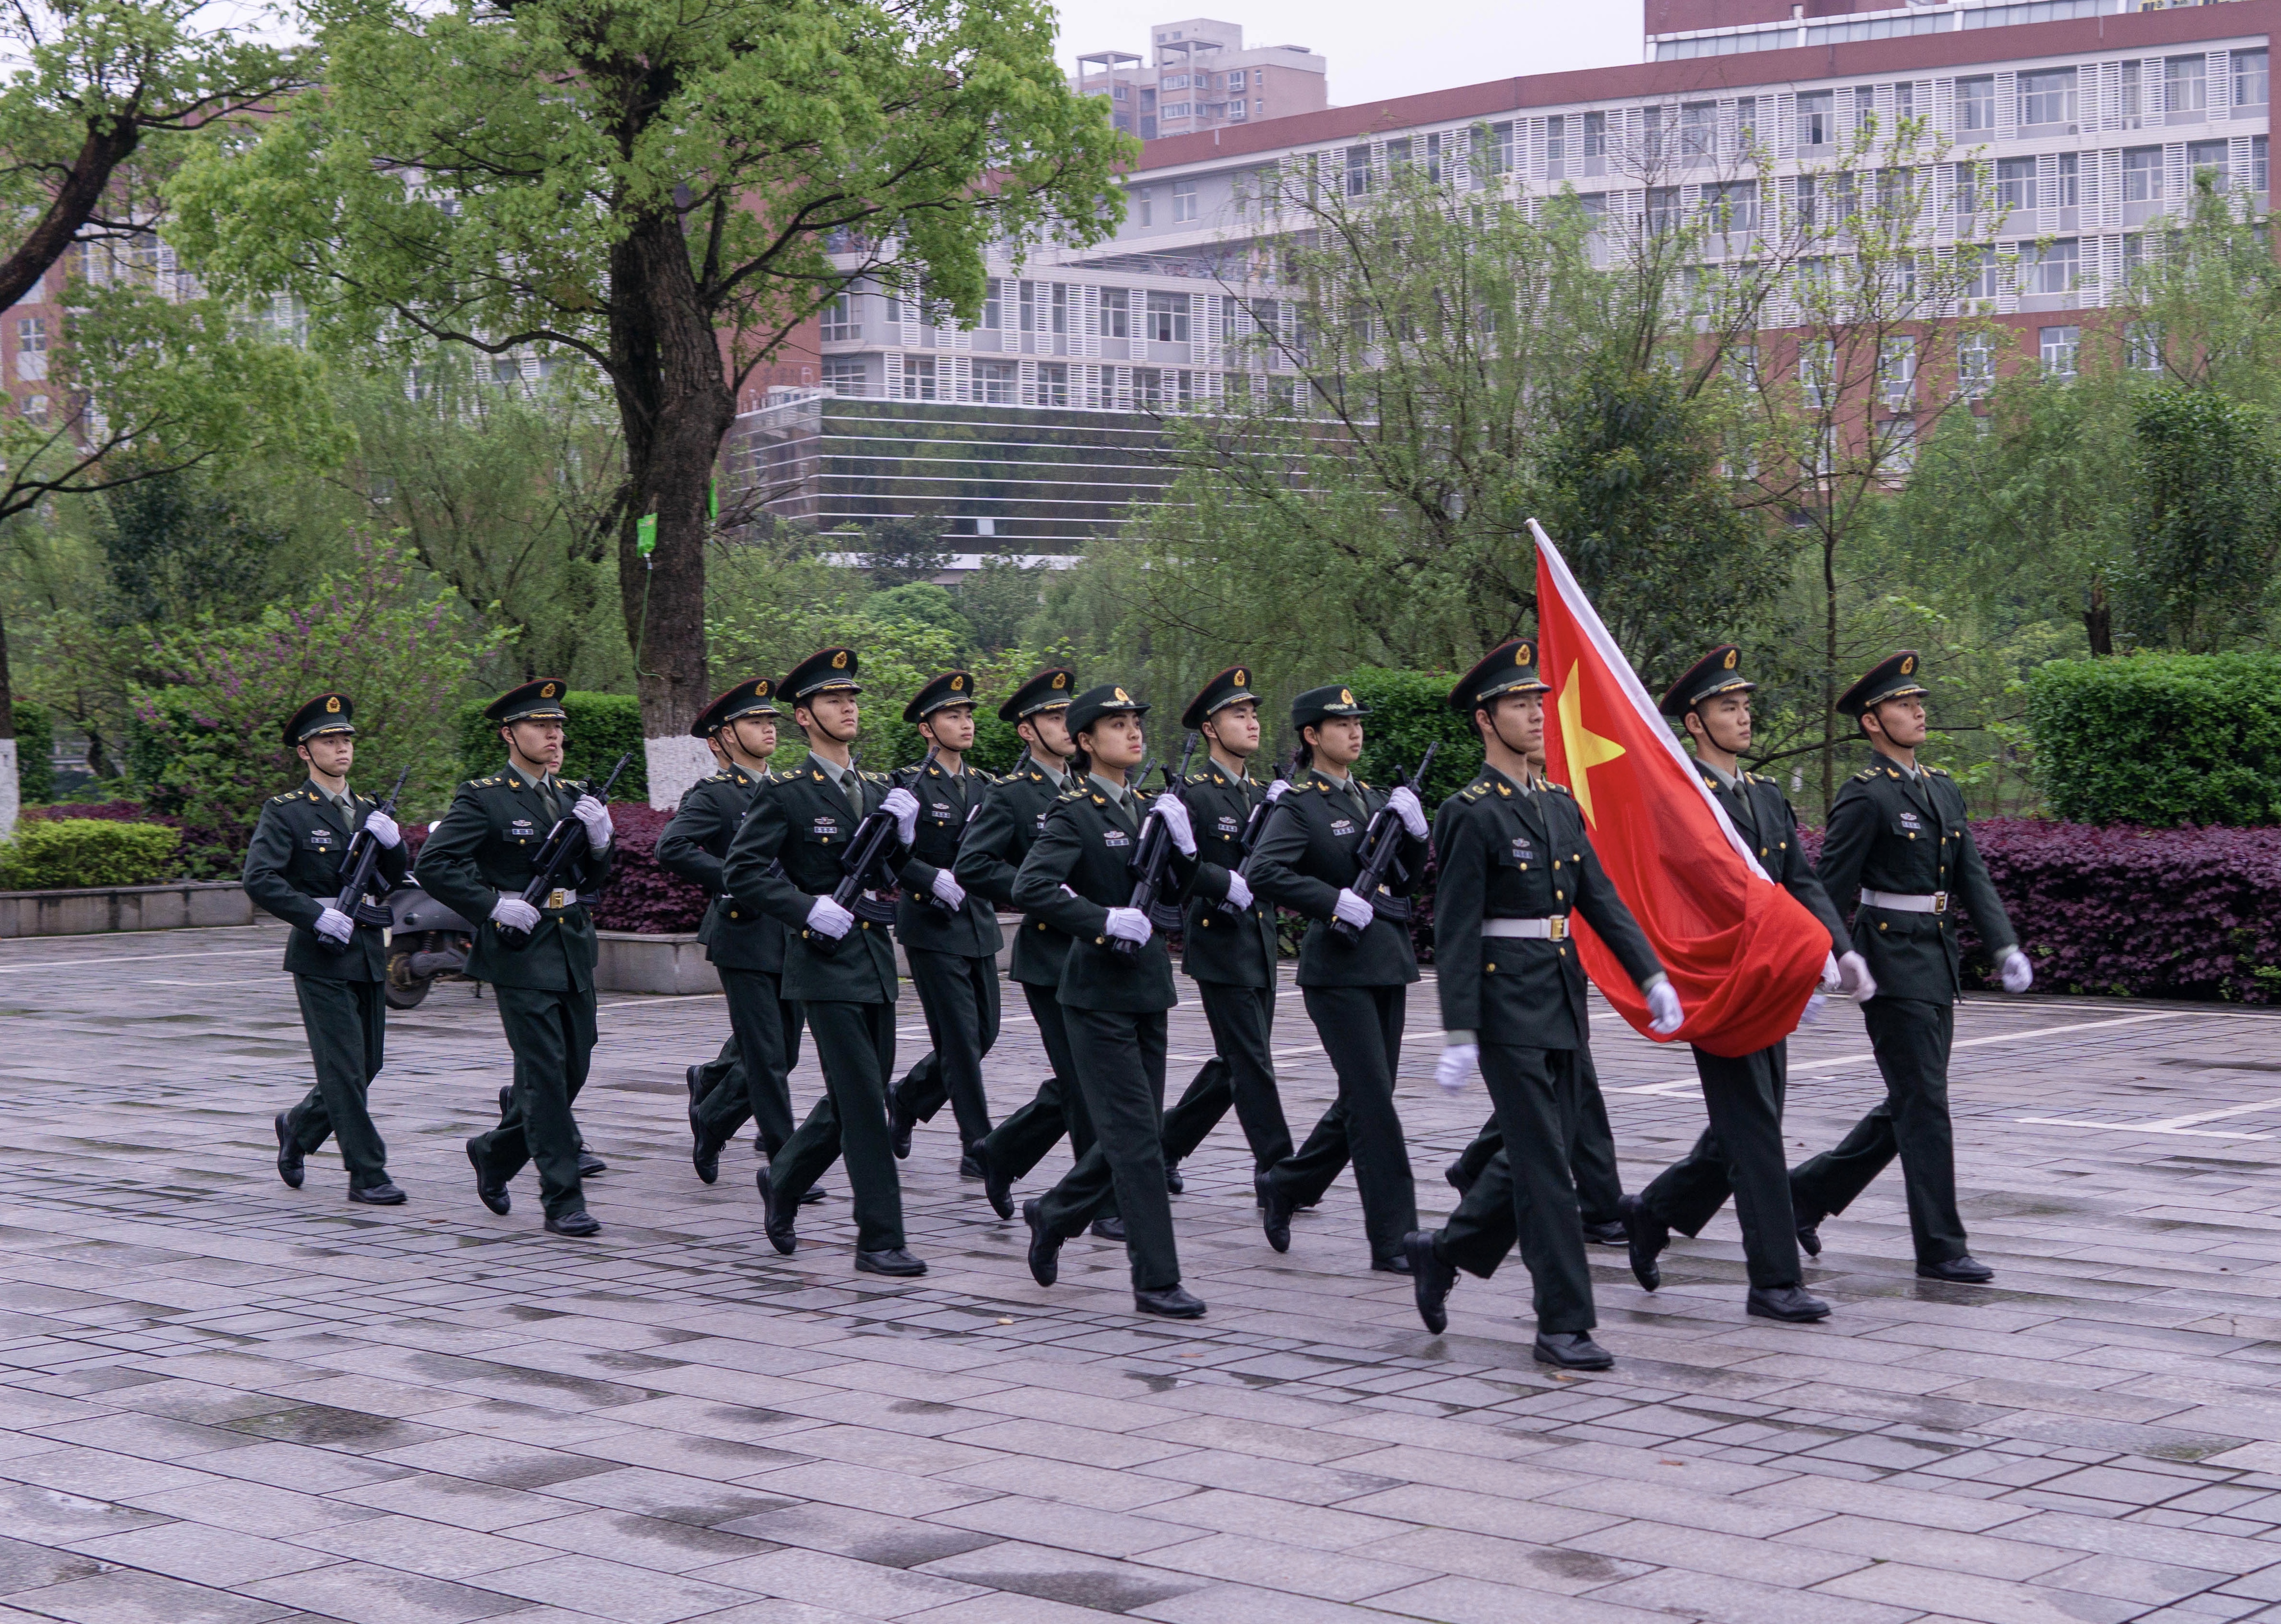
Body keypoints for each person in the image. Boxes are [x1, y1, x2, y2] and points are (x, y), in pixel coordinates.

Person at [1405, 640, 1680, 1370]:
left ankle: (1445, 1251)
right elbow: (1455, 928)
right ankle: (1562, 1323)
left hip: (1560, 994)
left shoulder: (1558, 804)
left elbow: (1600, 899)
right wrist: (1458, 1027)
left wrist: (1649, 974)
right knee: (1544, 1173)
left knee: (1550, 1149)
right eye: (1519, 703)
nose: (1535, 713)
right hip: (1502, 1005)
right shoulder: (1469, 813)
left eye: (1537, 701)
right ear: (1484, 720)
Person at [1619, 645, 1872, 1324]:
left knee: (1748, 1122)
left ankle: (1655, 1210)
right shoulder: (1679, 799)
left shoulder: (1761, 794)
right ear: (1694, 724)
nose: (1742, 717)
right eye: (1726, 708)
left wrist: (1835, 950)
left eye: (1744, 706)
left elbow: (1798, 883)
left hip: (1771, 979)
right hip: (1718, 982)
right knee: (1756, 1131)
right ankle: (1772, 1282)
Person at [1788, 651, 2034, 1284]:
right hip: (1888, 962)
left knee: (1911, 1100)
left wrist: (2002, 944)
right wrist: (1824, 959)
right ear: (1872, 723)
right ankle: (1940, 1247)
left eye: (1917, 701)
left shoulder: (1940, 787)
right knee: (1922, 1104)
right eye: (1903, 704)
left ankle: (1803, 1194)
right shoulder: (1865, 797)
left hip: (1936, 956)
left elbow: (1970, 876)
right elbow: (1826, 885)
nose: (1918, 711)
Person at [723, 647, 927, 1276]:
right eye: (833, 700)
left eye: (852, 698)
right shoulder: (786, 791)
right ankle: (879, 1238)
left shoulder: (874, 791)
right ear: (804, 717)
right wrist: (805, 909)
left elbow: (888, 871)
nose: (848, 708)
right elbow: (742, 873)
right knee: (866, 1103)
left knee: (850, 1100)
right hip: (821, 961)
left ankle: (782, 1180)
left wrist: (908, 840)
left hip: (872, 958)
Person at [1014, 684, 1203, 1318]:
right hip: (1096, 992)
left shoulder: (1149, 807)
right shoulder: (1074, 810)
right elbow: (1032, 886)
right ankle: (1155, 1279)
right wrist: (1100, 920)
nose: (1132, 733)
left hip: (1147, 986)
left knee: (1140, 1132)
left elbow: (1178, 894)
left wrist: (1186, 849)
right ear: (1086, 743)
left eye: (1134, 723)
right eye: (1115, 725)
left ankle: (1056, 1212)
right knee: (1134, 1138)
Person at [417, 680, 617, 1236]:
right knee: (547, 1074)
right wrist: (492, 906)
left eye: (558, 727)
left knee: (575, 1064)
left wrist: (601, 843)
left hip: (571, 942)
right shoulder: (485, 796)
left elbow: (594, 878)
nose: (554, 736)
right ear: (510, 734)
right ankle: (562, 1199)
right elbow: (436, 864)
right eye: (540, 727)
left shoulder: (574, 794)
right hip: (520, 950)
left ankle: (496, 1152)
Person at [1248, 683, 1431, 1274]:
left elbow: (1403, 885)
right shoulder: (1300, 805)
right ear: (1311, 736)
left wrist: (1419, 835)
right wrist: (1330, 902)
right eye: (1341, 723)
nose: (1355, 732)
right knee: (1374, 1104)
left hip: (1387, 962)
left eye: (1358, 722)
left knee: (1363, 1097)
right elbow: (1264, 870)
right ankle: (1395, 1238)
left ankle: (1289, 1185)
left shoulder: (1374, 799)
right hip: (1338, 971)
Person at [958, 668, 1115, 1237]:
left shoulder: (1091, 787)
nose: (1067, 726)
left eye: (1070, 716)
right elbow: (974, 866)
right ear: (1027, 731)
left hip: (1099, 949)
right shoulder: (1012, 794)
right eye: (1053, 718)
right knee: (1084, 1080)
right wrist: (1041, 886)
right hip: (1051, 956)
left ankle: (1000, 1153)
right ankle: (1101, 1201)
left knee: (1087, 1079)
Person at [247, 693, 410, 1205]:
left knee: (370, 1064)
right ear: (305, 752)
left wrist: (395, 842)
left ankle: (299, 1125)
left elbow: (391, 880)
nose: (341, 749)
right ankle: (367, 1172)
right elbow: (260, 879)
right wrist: (316, 915)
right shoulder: (287, 812)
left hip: (365, 947)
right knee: (342, 1068)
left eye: (345, 740)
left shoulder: (367, 810)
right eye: (328, 741)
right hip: (320, 952)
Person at [658, 678, 807, 1185]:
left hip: (791, 933)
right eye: (754, 722)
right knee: (767, 1057)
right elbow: (673, 848)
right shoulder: (716, 795)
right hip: (744, 935)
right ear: (719, 739)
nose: (767, 729)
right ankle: (787, 1163)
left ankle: (712, 1108)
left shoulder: (790, 790)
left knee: (783, 1052)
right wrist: (737, 880)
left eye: (770, 721)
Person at [1156, 665, 1294, 1192]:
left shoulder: (1265, 793)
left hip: (1258, 943)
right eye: (1239, 714)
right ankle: (1279, 1169)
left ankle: (1166, 1145)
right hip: (1217, 941)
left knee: (1236, 1061)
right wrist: (1220, 882)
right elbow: (1176, 865)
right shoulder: (1194, 793)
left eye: (1254, 712)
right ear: (1211, 729)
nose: (1252, 722)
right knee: (1253, 1061)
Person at [883, 672, 1004, 1174]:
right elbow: (888, 857)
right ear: (927, 730)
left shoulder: (986, 785)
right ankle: (979, 1147)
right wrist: (926, 879)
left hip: (977, 922)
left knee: (986, 1033)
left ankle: (908, 1098)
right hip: (932, 925)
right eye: (952, 716)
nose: (965, 723)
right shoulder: (908, 784)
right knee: (958, 1039)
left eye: (968, 714)